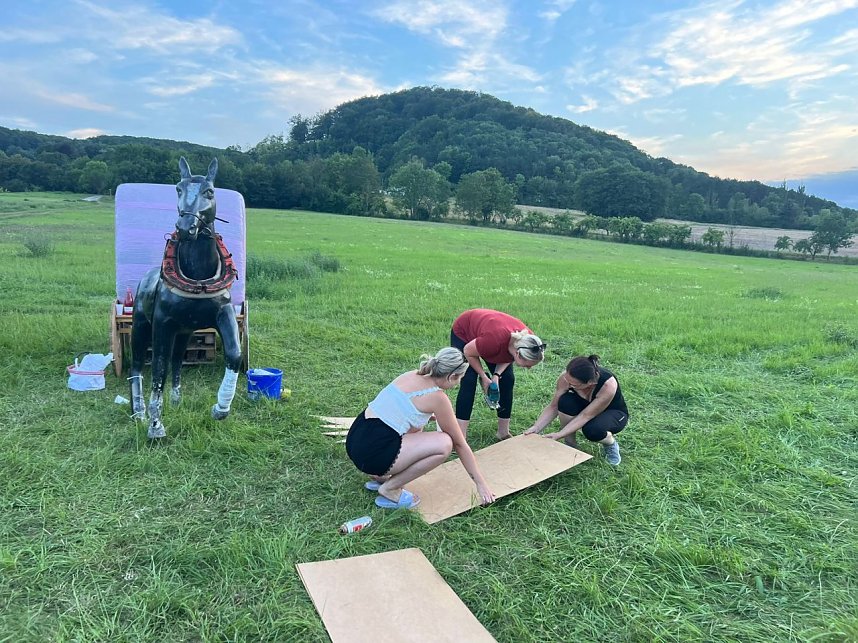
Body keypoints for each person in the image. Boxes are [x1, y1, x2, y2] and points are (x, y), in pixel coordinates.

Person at [345, 347, 496, 509]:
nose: (459, 383)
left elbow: (398, 410)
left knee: (418, 426)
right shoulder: (438, 398)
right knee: (444, 443)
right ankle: (390, 488)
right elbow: (459, 444)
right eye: (460, 379)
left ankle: (380, 476)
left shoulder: (412, 374)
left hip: (356, 440)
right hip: (373, 454)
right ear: (452, 376)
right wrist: (481, 484)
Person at [450, 308, 546, 441]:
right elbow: (468, 351)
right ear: (518, 354)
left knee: (507, 379)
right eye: (528, 364)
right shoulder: (494, 341)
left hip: (490, 335)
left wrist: (496, 375)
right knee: (469, 380)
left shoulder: (529, 341)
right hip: (465, 331)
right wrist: (483, 376)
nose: (529, 368)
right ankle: (461, 437)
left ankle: (503, 432)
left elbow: (508, 356)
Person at [523, 354, 628, 465]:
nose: (567, 384)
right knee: (565, 402)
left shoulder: (608, 385)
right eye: (566, 379)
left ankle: (610, 443)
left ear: (590, 383)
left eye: (572, 384)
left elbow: (586, 415)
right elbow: (553, 406)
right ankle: (570, 444)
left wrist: (559, 434)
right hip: (586, 408)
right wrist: (536, 427)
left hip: (612, 412)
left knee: (592, 430)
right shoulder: (567, 377)